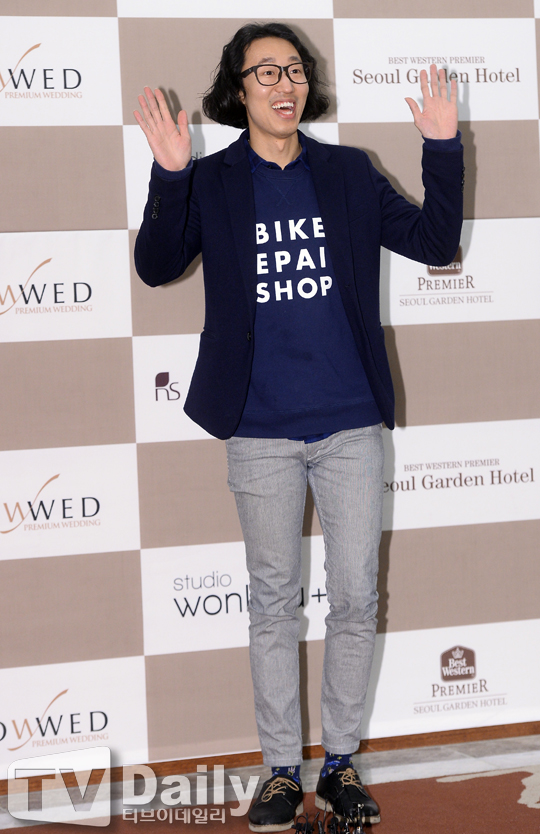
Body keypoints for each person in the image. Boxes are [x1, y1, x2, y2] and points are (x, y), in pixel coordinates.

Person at [134, 21, 463, 832]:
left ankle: (340, 764)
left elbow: (434, 240)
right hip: (259, 429)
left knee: (354, 599)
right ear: (237, 90)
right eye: (266, 73)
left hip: (350, 424)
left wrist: (442, 148)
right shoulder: (212, 181)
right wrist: (170, 175)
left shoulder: (348, 172)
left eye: (295, 70)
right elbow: (157, 265)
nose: (285, 85)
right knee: (274, 604)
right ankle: (282, 772)